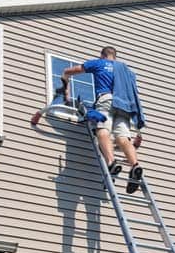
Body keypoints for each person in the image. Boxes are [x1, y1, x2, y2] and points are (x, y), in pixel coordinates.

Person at [60, 46, 145, 193]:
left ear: (102, 55)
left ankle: (111, 163)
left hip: (106, 100)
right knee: (123, 138)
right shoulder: (126, 71)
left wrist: (65, 86)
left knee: (102, 129)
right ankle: (135, 165)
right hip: (125, 105)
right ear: (115, 57)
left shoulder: (99, 63)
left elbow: (69, 72)